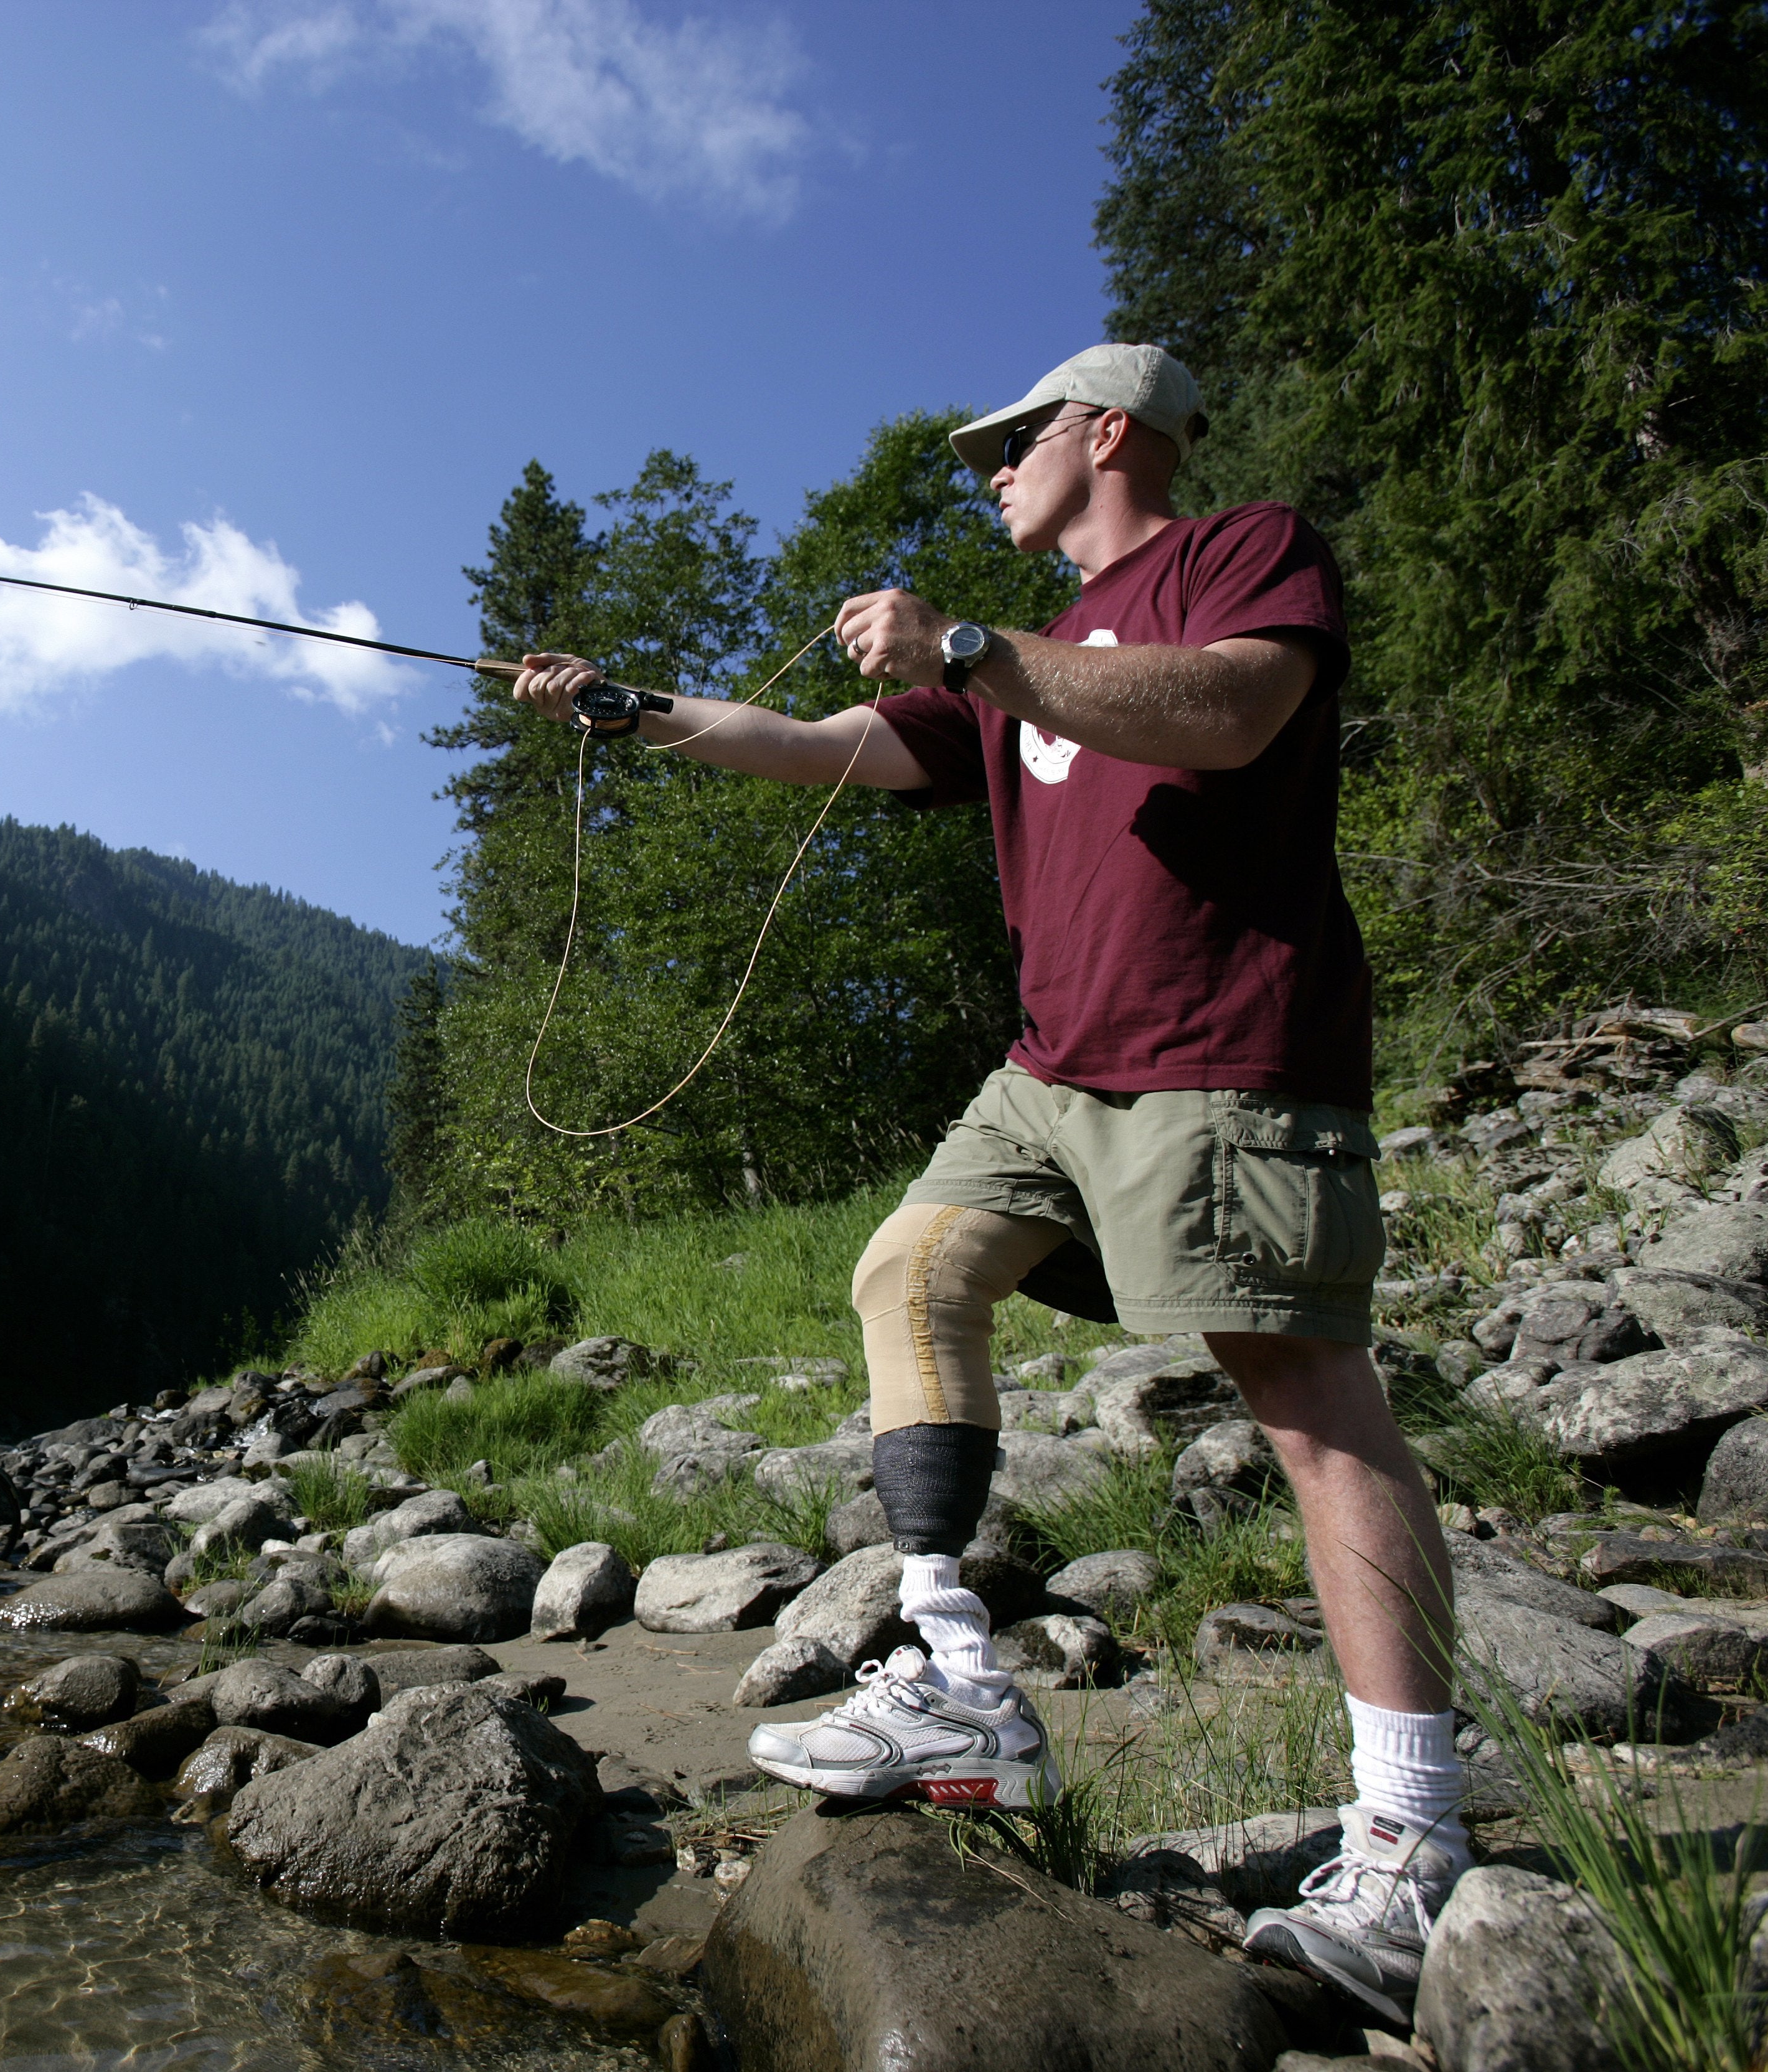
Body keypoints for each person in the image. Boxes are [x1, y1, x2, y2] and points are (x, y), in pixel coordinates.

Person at [512, 343, 1465, 2029]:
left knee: (1309, 1403)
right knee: (911, 1270)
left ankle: (1412, 1842)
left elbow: (1232, 710)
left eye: (1012, 442)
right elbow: (823, 745)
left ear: (1109, 430)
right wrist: (634, 708)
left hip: (1224, 1042)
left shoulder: (1240, 551)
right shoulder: (1014, 664)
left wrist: (972, 645)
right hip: (1053, 1070)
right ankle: (961, 1680)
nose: (992, 471)